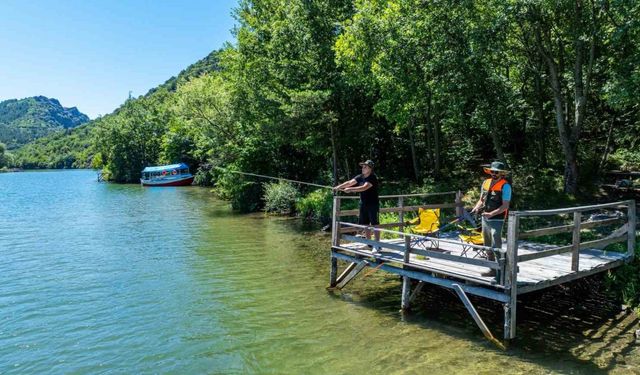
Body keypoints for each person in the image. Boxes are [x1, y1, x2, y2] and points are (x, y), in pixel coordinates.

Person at [470, 161, 512, 277]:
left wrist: (491, 214)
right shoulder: (485, 182)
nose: (494, 173)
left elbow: (505, 206)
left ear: (501, 173)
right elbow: (481, 200)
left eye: (497, 172)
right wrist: (476, 208)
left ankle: (501, 272)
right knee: (487, 245)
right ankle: (492, 270)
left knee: (496, 246)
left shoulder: (506, 186)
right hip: (485, 219)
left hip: (497, 220)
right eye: (492, 171)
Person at [333, 160, 381, 254]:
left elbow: (364, 187)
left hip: (373, 204)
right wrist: (338, 187)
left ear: (370, 169)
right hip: (363, 204)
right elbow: (350, 182)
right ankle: (369, 244)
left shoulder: (372, 178)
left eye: (365, 167)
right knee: (366, 224)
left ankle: (377, 245)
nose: (363, 168)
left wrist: (350, 190)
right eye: (363, 167)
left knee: (375, 224)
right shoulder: (360, 177)